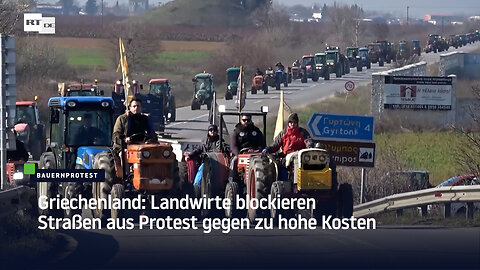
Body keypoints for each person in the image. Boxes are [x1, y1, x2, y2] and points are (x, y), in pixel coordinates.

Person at [229, 114, 265, 181]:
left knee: (265, 161)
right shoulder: (236, 131)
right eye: (244, 120)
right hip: (241, 153)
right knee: (234, 160)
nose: (246, 122)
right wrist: (238, 154)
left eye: (248, 120)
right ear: (241, 120)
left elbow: (262, 143)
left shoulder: (256, 131)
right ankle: (232, 179)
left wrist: (259, 150)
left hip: (254, 153)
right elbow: (233, 145)